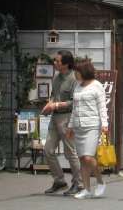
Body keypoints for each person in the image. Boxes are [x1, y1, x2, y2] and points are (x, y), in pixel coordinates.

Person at [42, 50, 83, 195]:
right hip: (54, 118)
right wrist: (49, 104)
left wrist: (56, 105)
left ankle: (79, 183)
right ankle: (59, 180)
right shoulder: (56, 78)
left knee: (70, 152)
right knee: (48, 150)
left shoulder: (74, 78)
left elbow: (75, 102)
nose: (55, 63)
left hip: (68, 118)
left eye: (58, 61)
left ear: (66, 64)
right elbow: (54, 95)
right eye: (55, 60)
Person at [67, 60, 110, 199]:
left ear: (84, 71)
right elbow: (74, 108)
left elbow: (102, 107)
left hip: (92, 125)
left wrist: (105, 124)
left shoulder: (97, 86)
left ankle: (100, 181)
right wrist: (70, 126)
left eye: (77, 72)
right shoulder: (78, 87)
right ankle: (86, 189)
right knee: (82, 159)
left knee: (88, 157)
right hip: (79, 126)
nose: (75, 74)